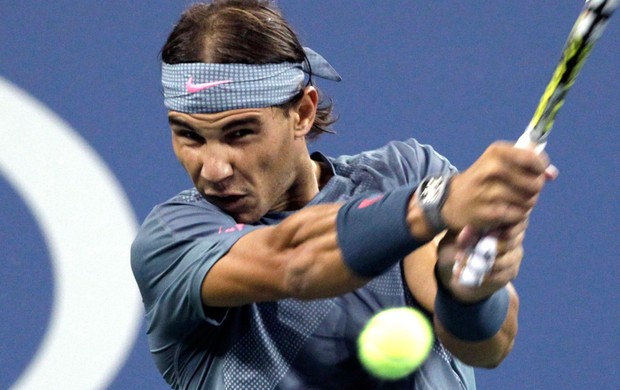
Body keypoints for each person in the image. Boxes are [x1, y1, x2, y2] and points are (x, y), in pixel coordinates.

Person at [131, 1, 556, 388]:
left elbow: (488, 347)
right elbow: (294, 261)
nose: (214, 169)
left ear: (301, 112)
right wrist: (437, 202)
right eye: (189, 136)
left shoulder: (403, 174)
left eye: (240, 133)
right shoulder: (174, 240)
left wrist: (468, 287)